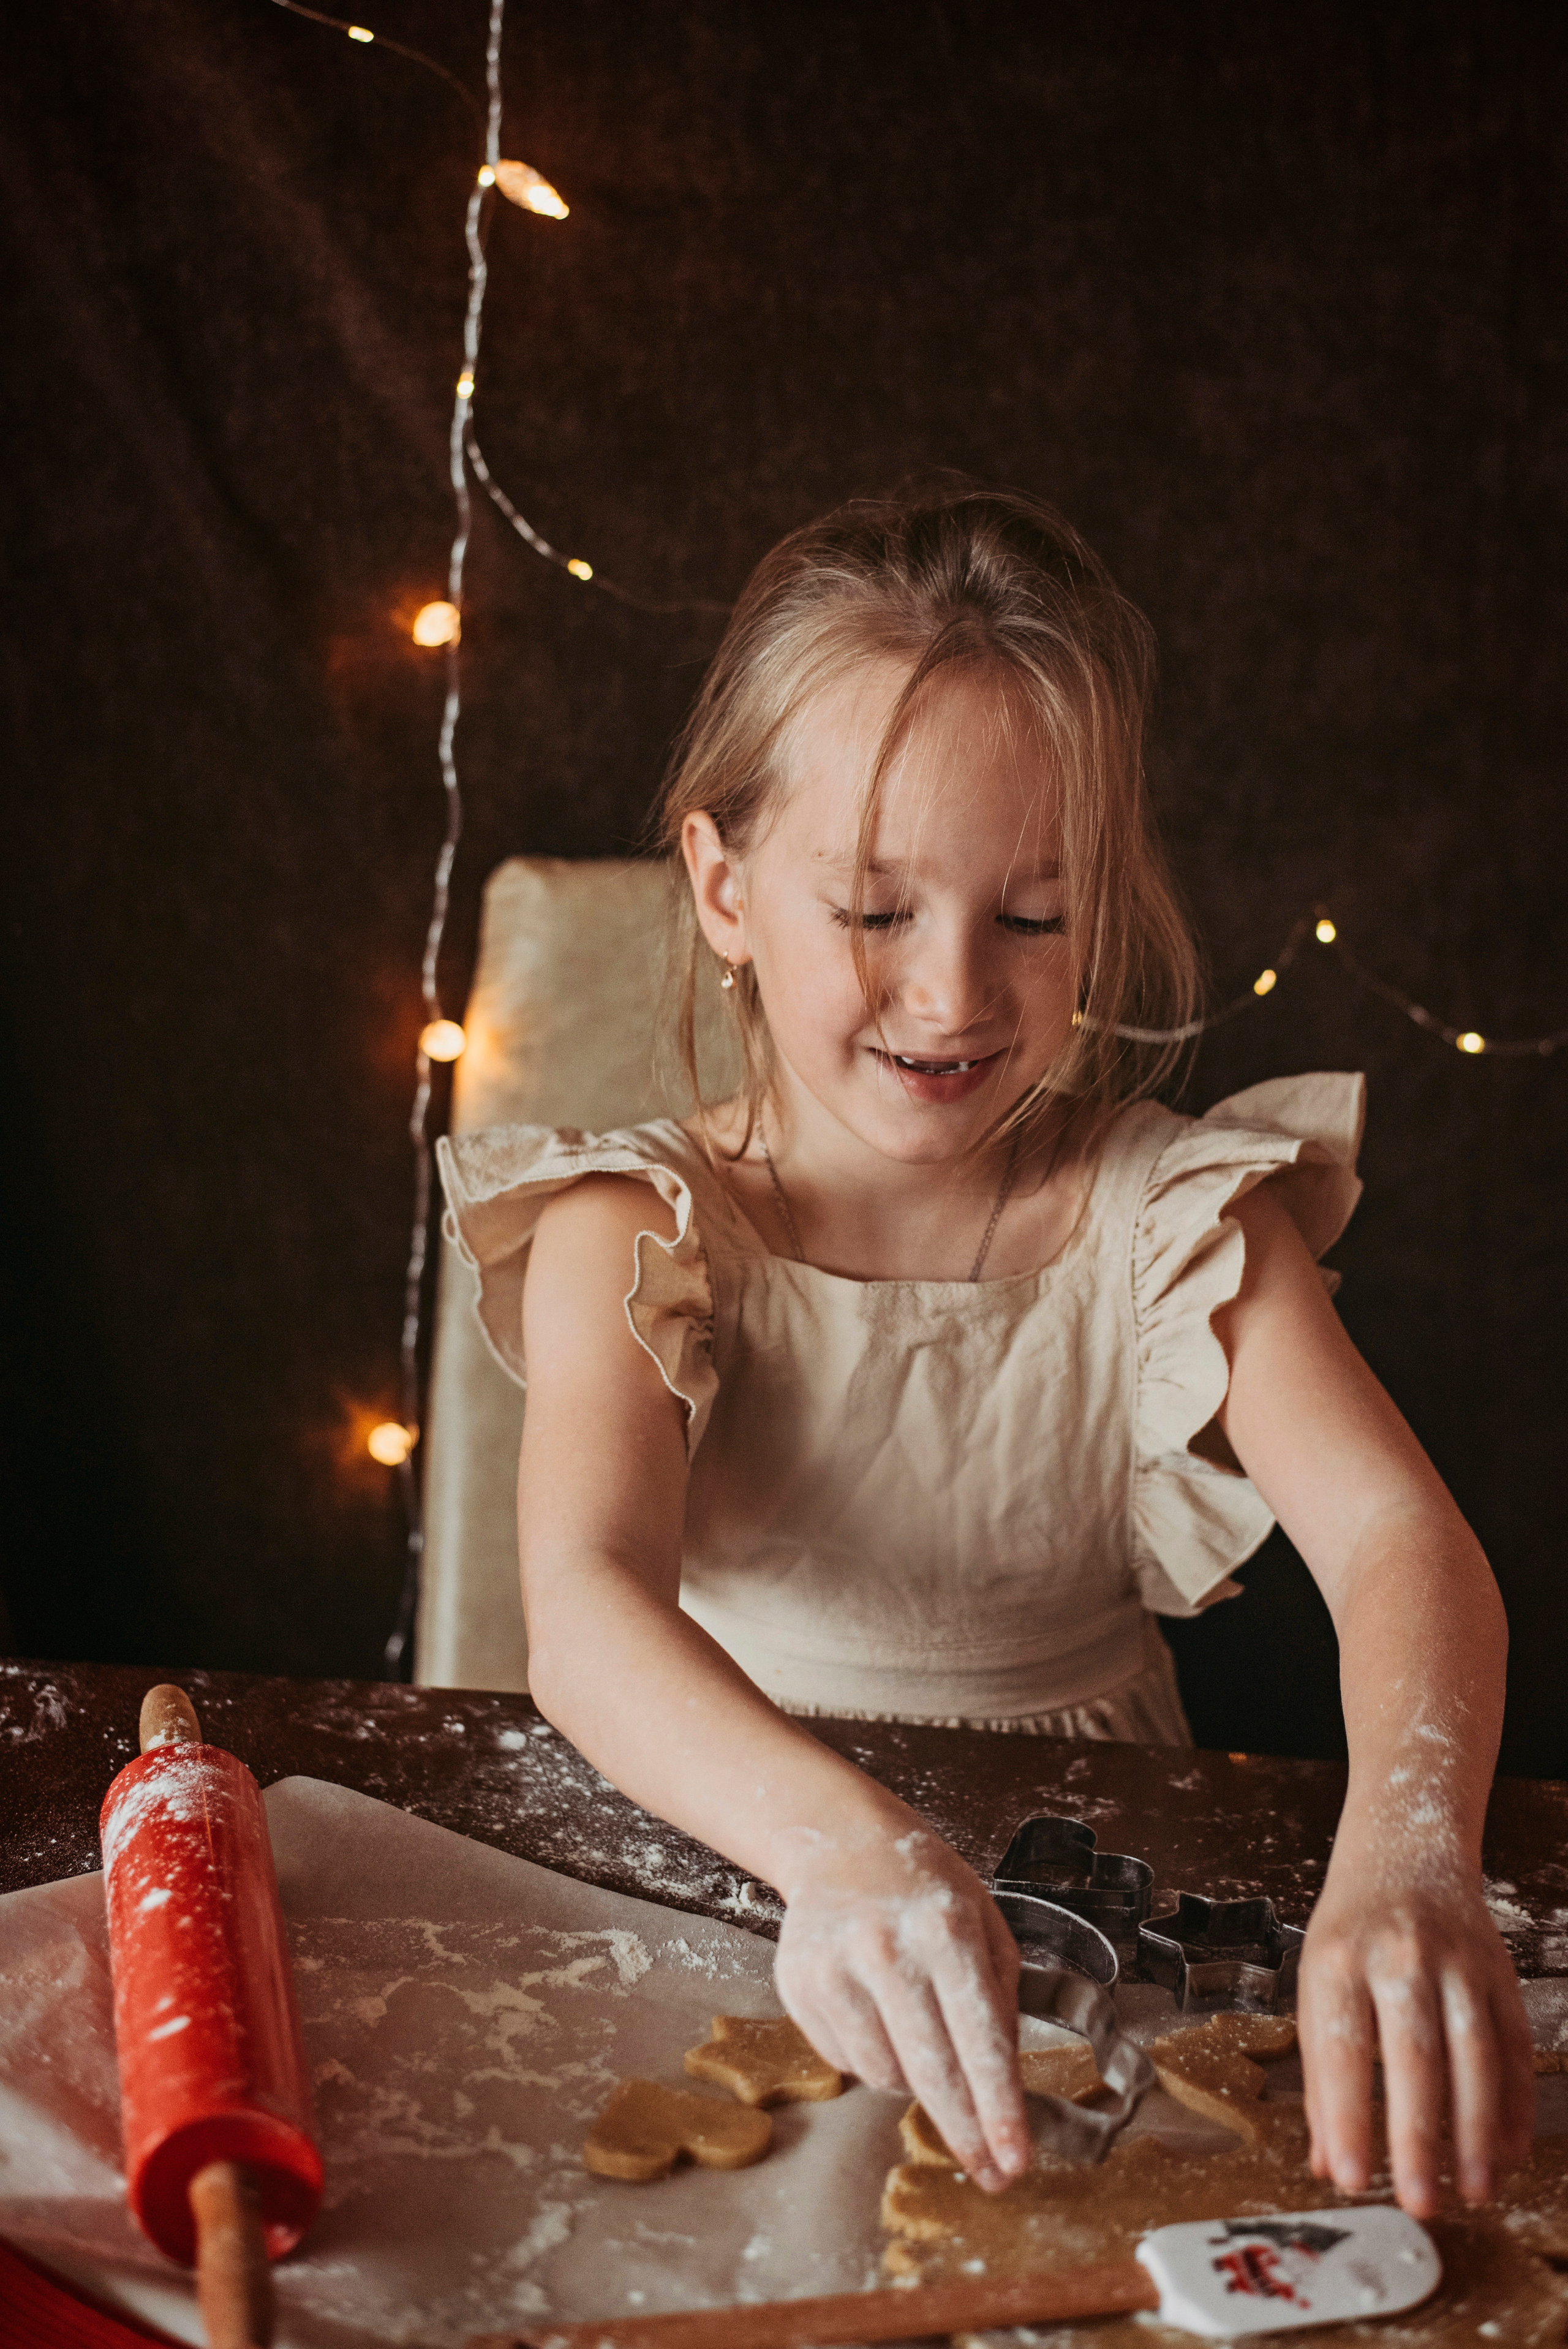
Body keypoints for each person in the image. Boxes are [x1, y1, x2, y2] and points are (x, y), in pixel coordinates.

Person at [437, 487, 1533, 2218]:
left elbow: (1406, 1544)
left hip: (1109, 1913)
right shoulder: (625, 1226)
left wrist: (1407, 1856)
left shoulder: (1174, 1214)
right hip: (731, 1873)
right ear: (723, 886)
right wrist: (843, 1848)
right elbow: (585, 1608)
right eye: (874, 913)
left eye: (1032, 915)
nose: (954, 994)